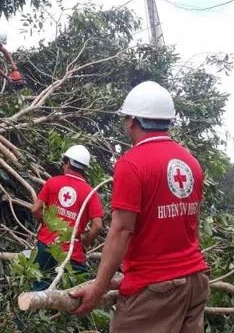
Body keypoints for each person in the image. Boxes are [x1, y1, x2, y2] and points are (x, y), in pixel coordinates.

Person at [71, 81, 210, 333]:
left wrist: (98, 289)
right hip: (196, 281)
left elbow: (122, 230)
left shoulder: (131, 163)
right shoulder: (191, 162)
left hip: (155, 290)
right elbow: (193, 225)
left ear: (132, 121)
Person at [30, 145, 104, 291]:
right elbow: (97, 225)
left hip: (46, 244)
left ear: (68, 163)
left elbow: (35, 209)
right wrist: (85, 243)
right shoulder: (91, 193)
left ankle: (30, 313)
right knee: (77, 293)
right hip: (71, 250)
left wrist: (48, 225)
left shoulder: (52, 182)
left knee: (38, 288)